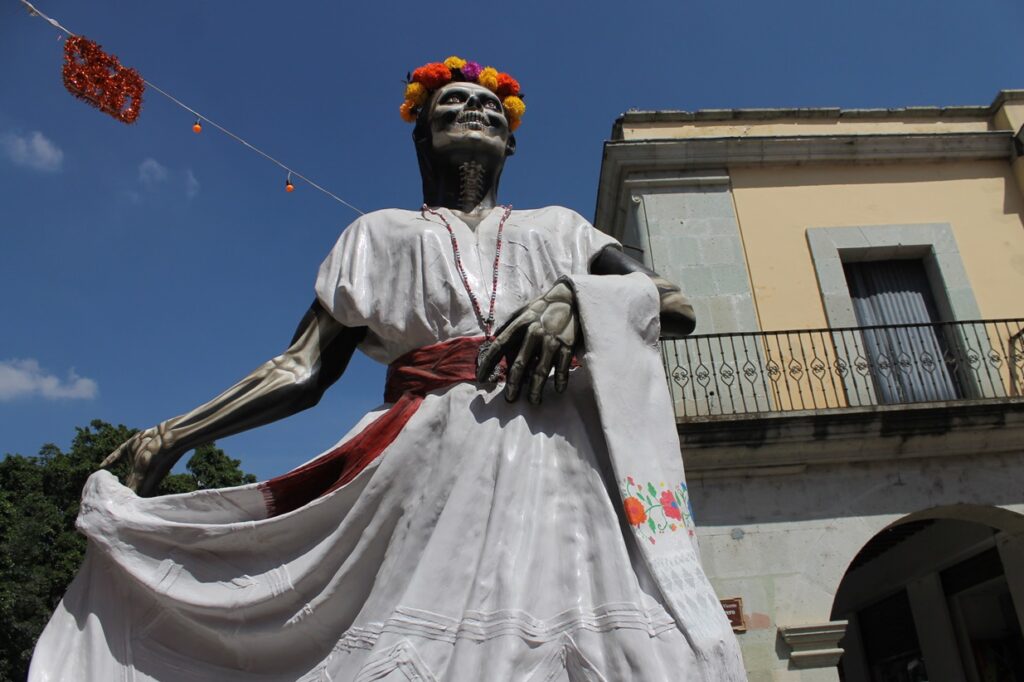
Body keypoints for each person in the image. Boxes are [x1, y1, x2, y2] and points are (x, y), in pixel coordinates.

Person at [30, 57, 746, 681]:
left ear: (511, 140)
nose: (475, 110)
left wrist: (577, 301)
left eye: (491, 107)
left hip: (562, 465)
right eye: (454, 103)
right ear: (421, 133)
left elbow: (672, 302)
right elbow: (302, 369)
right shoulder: (376, 234)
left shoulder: (561, 229)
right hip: (426, 466)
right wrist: (172, 435)